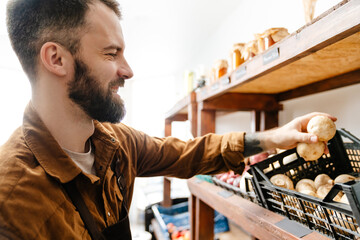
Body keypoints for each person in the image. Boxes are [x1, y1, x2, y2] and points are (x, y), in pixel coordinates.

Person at [0, 0, 336, 239]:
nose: (128, 70)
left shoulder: (115, 142)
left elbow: (186, 152)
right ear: (56, 58)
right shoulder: (13, 202)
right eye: (111, 53)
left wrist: (273, 138)